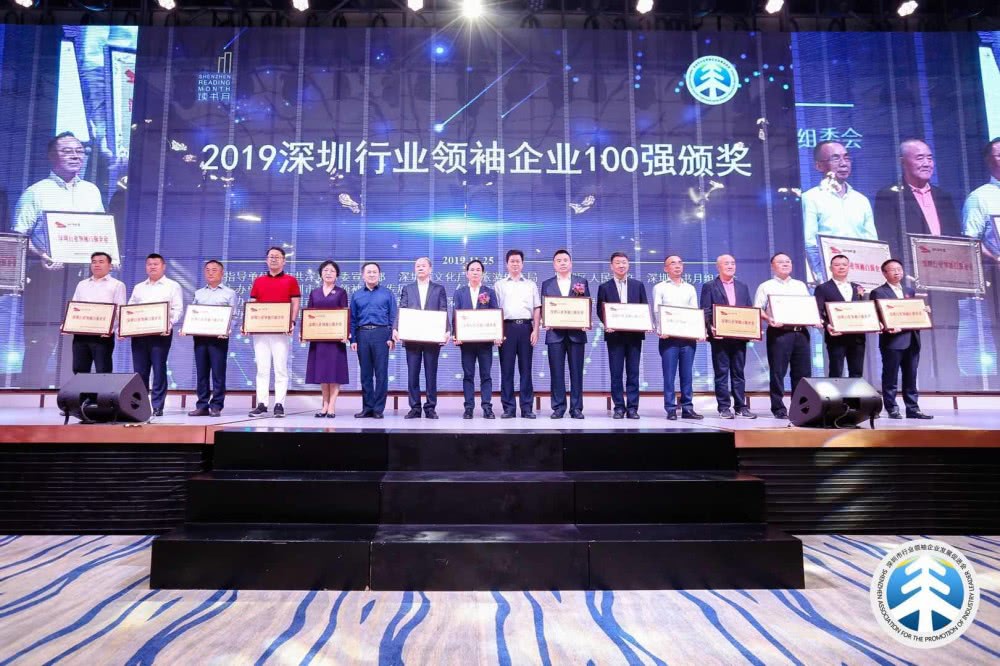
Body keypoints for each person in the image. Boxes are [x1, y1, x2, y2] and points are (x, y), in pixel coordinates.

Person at [14, 132, 105, 385]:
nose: (76, 156)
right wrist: (42, 255)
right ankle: (30, 393)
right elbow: (18, 237)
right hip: (46, 277)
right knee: (41, 341)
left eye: (80, 151)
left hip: (82, 277)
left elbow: (101, 231)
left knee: (77, 339)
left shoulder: (91, 191)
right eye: (67, 151)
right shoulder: (36, 192)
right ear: (51, 156)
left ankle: (71, 393)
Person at [874, 139, 961, 266]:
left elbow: (956, 237)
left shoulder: (943, 196)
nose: (927, 164)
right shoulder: (889, 195)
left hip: (946, 267)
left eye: (930, 158)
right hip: (910, 269)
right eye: (920, 158)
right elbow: (888, 240)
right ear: (902, 162)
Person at [802, 141, 876, 280]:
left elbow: (872, 243)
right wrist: (821, 277)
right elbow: (810, 244)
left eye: (846, 158)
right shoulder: (810, 198)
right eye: (835, 158)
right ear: (818, 166)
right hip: (828, 276)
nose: (843, 163)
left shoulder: (861, 200)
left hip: (860, 274)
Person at [870, 259, 933, 420]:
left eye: (899, 269)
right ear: (884, 273)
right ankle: (892, 408)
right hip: (892, 341)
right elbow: (875, 316)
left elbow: (912, 312)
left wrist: (923, 311)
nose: (897, 272)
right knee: (890, 377)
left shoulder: (909, 290)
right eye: (893, 269)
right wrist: (885, 326)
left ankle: (913, 409)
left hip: (912, 339)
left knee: (911, 376)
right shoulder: (878, 292)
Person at [754, 252, 813, 419]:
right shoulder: (766, 286)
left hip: (801, 333)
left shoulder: (800, 285)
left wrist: (813, 318)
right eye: (781, 262)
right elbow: (757, 309)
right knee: (778, 372)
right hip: (779, 333)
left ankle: (801, 408)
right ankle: (778, 408)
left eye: (788, 261)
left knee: (802, 374)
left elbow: (808, 307)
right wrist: (769, 319)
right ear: (772, 266)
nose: (785, 264)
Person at [247, 247, 301, 419]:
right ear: (266, 260)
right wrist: (248, 323)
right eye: (271, 257)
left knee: (280, 368)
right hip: (260, 331)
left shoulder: (291, 280)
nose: (274, 259)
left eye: (277, 257)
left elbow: (295, 302)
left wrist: (292, 322)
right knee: (262, 369)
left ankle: (279, 404)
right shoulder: (258, 281)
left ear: (284, 260)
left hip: (281, 331)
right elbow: (253, 303)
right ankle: (262, 404)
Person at [701, 254, 756, 419]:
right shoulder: (709, 286)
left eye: (733, 263)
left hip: (739, 337)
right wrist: (711, 329)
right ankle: (724, 407)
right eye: (726, 263)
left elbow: (749, 309)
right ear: (718, 267)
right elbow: (706, 310)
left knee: (739, 373)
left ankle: (740, 406)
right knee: (721, 373)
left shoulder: (742, 286)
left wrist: (753, 329)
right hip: (720, 338)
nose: (731, 266)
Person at [127, 253, 183, 417]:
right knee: (139, 372)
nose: (152, 266)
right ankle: (140, 405)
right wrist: (126, 327)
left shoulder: (173, 286)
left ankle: (158, 405)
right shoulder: (139, 287)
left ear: (163, 266)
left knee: (159, 369)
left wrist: (169, 323)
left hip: (161, 334)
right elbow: (130, 309)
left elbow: (178, 309)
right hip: (139, 334)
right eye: (149, 264)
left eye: (156, 264)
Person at [394, 257, 449, 419]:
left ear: (430, 269)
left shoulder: (439, 289)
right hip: (412, 337)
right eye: (417, 266)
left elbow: (443, 309)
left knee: (431, 373)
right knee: (413, 374)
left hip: (432, 337)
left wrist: (447, 330)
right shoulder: (407, 288)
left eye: (423, 266)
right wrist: (396, 327)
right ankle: (415, 408)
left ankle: (430, 408)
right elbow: (402, 308)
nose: (420, 268)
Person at [596, 251, 648, 419]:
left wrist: (645, 324)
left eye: (624, 262)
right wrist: (607, 323)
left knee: (633, 373)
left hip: (634, 336)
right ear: (611, 266)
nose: (621, 265)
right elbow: (600, 310)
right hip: (615, 336)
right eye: (617, 262)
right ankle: (619, 407)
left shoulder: (638, 285)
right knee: (616, 373)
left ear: (628, 265)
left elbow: (644, 307)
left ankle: (632, 408)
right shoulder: (604, 287)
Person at [540, 249, 590, 419]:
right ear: (554, 264)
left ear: (571, 263)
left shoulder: (581, 282)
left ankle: (576, 408)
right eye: (559, 260)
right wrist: (545, 321)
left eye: (565, 260)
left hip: (576, 335)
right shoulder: (547, 284)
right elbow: (544, 307)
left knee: (576, 373)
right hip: (554, 335)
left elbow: (587, 305)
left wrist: (586, 322)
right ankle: (558, 407)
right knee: (556, 372)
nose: (562, 263)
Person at [183, 259, 236, 417]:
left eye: (214, 270)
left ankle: (216, 405)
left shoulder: (229, 293)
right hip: (200, 338)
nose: (210, 273)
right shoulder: (199, 293)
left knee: (218, 373)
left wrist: (227, 330)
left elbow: (233, 316)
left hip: (219, 338)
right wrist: (186, 327)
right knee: (201, 373)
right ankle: (202, 405)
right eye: (207, 270)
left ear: (222, 273)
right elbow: (193, 314)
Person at [653, 255, 703, 420]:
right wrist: (660, 329)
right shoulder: (660, 287)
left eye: (680, 263)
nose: (677, 266)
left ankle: (687, 408)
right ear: (665, 268)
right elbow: (657, 311)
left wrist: (698, 331)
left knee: (687, 375)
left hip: (688, 338)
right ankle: (670, 408)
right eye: (672, 263)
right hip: (668, 338)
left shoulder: (690, 288)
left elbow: (694, 312)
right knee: (669, 376)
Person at [494, 249, 541, 419]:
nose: (515, 264)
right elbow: (495, 310)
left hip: (526, 328)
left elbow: (537, 308)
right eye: (512, 261)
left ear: (522, 264)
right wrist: (497, 332)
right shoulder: (499, 285)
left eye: (518, 261)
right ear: (507, 264)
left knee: (526, 369)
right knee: (506, 370)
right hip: (506, 328)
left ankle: (527, 407)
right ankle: (508, 408)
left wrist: (536, 330)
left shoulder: (531, 284)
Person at [453, 259, 500, 419]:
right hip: (466, 342)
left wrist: (497, 334)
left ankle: (487, 407)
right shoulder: (460, 292)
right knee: (468, 375)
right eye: (472, 270)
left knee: (486, 375)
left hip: (485, 342)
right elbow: (455, 315)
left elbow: (495, 314)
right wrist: (456, 334)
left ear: (482, 273)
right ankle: (469, 408)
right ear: (467, 274)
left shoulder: (489, 292)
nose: (475, 272)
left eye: (478, 270)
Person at [66, 251, 126, 374]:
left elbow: (120, 310)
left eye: (101, 262)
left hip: (103, 335)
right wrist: (67, 324)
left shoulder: (117, 285)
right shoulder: (82, 284)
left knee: (103, 371)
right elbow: (75, 307)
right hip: (81, 334)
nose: (96, 265)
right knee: (79, 370)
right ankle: (82, 388)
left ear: (110, 266)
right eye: (94, 262)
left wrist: (116, 329)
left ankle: (102, 389)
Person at [350, 262, 396, 419]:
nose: (371, 274)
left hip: (381, 334)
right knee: (365, 374)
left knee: (381, 373)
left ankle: (378, 409)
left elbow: (393, 317)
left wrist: (391, 338)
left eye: (374, 272)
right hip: (362, 334)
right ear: (363, 275)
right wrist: (353, 339)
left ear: (379, 275)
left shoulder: (387, 293)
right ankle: (367, 407)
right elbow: (353, 319)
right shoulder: (356, 295)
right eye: (368, 272)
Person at [305, 260, 349, 418]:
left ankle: (332, 406)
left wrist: (345, 333)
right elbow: (309, 313)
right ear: (321, 273)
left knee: (334, 373)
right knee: (323, 373)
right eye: (325, 270)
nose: (328, 273)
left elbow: (345, 313)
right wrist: (304, 333)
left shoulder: (341, 292)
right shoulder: (314, 292)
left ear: (337, 275)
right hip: (319, 338)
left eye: (332, 270)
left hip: (335, 339)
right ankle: (324, 405)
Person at [814, 254, 867, 378]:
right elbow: (818, 311)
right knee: (836, 372)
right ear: (830, 268)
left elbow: (865, 309)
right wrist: (827, 325)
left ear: (849, 267)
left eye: (844, 265)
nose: (841, 267)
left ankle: (855, 392)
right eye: (837, 265)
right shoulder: (823, 288)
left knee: (857, 372)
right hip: (836, 336)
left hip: (857, 336)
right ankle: (835, 392)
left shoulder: (857, 287)